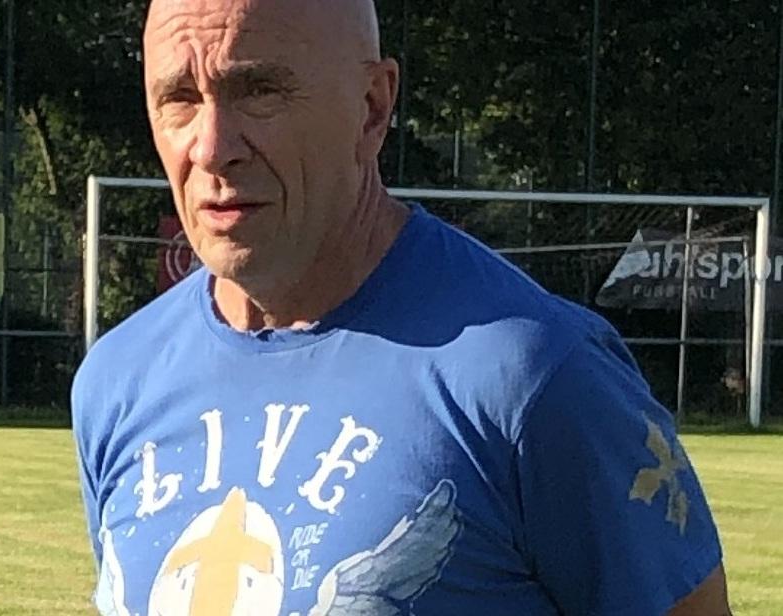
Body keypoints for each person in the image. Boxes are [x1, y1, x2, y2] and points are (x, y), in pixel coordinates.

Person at [71, 0, 732, 614]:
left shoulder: (535, 375)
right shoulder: (118, 380)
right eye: (180, 99)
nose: (212, 147)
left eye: (260, 91)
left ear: (371, 108)